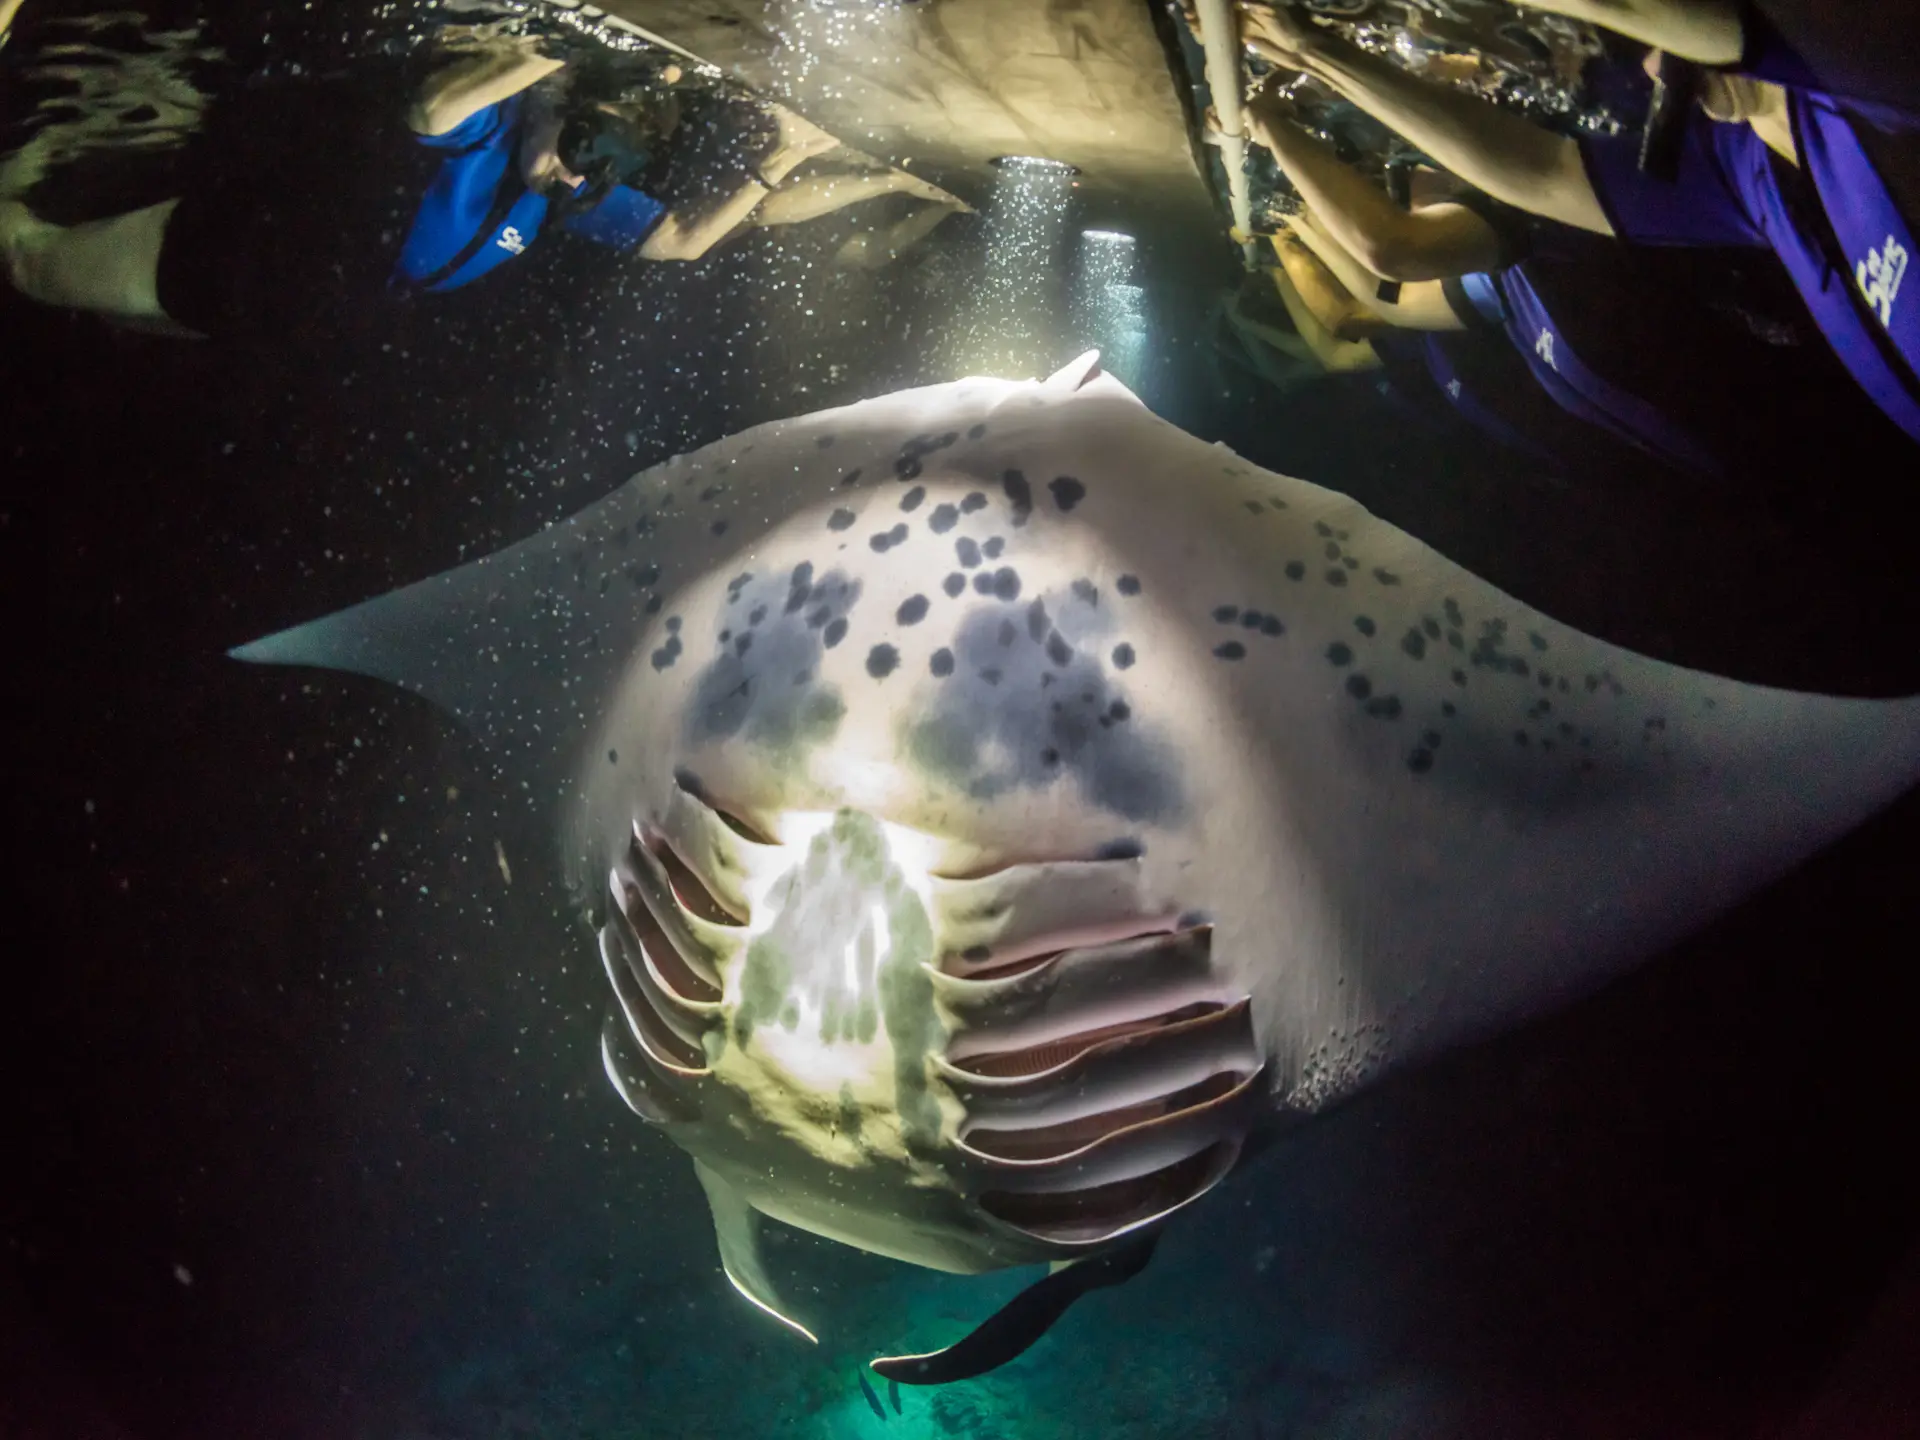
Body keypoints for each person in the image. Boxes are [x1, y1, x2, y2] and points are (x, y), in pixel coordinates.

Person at [1235, 0, 1920, 445]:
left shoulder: (1869, 74)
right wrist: (1313, 56)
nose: (1646, 66)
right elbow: (1535, 168)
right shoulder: (1744, 166)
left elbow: (1394, 251)